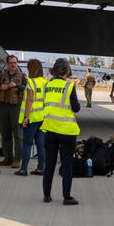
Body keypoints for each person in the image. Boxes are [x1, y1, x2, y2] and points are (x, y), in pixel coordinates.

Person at [41, 58, 81, 205]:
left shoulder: (47, 85)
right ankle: (66, 197)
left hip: (50, 129)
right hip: (66, 131)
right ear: (66, 71)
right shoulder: (69, 87)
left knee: (49, 164)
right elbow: (76, 108)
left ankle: (46, 195)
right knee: (67, 164)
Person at [0, 54, 27, 169]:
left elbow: (26, 89)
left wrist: (17, 85)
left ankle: (17, 159)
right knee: (5, 133)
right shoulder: (2, 75)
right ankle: (8, 158)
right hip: (3, 107)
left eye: (15, 63)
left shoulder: (22, 76)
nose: (13, 65)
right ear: (7, 64)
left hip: (16, 107)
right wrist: (0, 87)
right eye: (11, 63)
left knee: (17, 134)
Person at [16, 58, 46, 176]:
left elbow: (29, 100)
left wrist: (25, 118)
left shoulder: (31, 83)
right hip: (42, 118)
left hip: (32, 117)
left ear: (30, 69)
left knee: (27, 144)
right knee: (40, 144)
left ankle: (23, 169)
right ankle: (40, 168)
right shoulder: (45, 82)